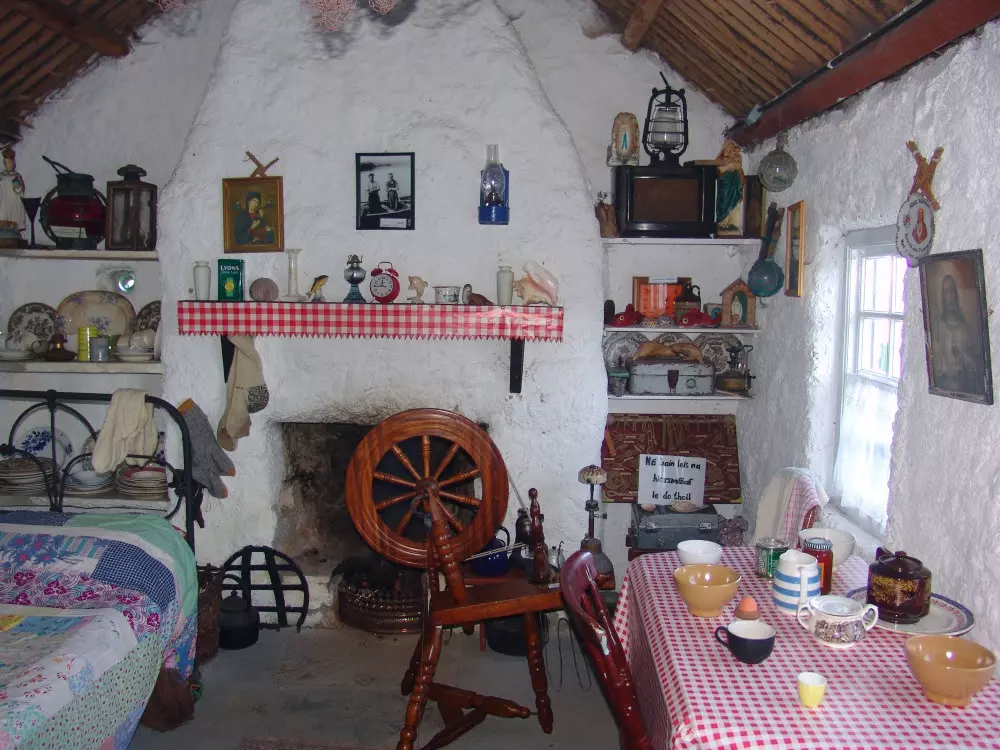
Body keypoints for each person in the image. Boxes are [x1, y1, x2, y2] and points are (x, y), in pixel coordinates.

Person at [932, 273, 982, 394]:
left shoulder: (964, 326)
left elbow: (971, 359)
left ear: (956, 294)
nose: (950, 295)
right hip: (946, 386)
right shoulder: (940, 325)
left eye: (953, 291)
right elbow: (937, 360)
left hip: (965, 384)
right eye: (947, 291)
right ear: (943, 295)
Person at [0, 148, 29, 239]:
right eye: (6, 163)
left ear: (13, 163)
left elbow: (20, 190)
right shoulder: (2, 175)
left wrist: (17, 187)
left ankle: (11, 230)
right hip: (2, 200)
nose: (7, 165)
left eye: (9, 163)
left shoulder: (16, 176)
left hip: (12, 201)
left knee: (11, 214)